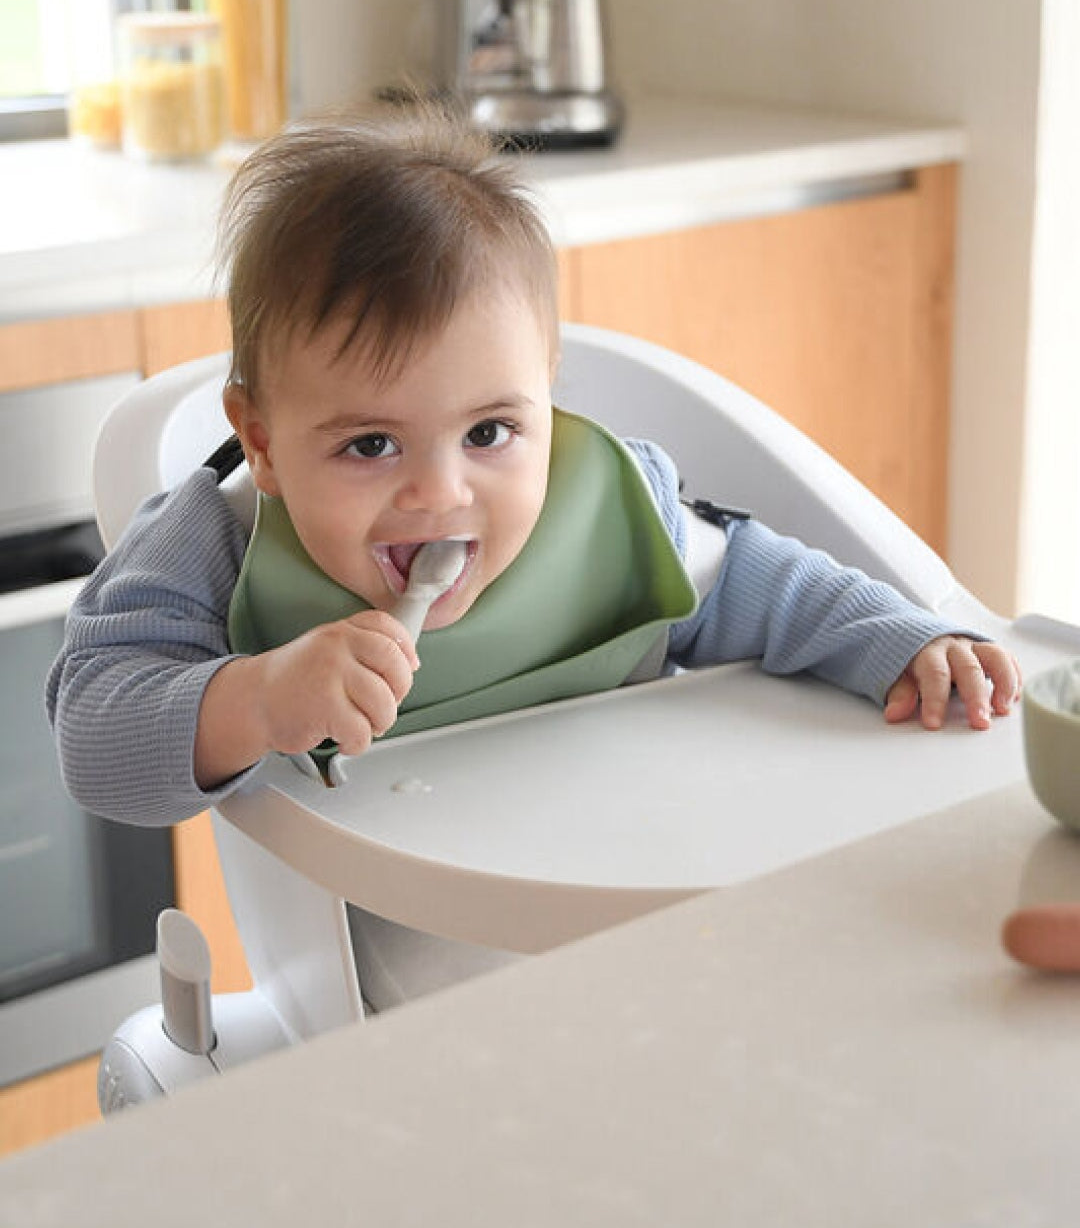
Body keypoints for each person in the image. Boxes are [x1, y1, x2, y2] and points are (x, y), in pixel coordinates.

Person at [47, 105, 1021, 1008]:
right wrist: (254, 700)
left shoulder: (604, 508)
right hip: (390, 980)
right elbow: (94, 738)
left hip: (647, 917)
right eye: (370, 445)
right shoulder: (216, 543)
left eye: (490, 432)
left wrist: (899, 640)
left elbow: (767, 587)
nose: (439, 493)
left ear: (546, 397)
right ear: (259, 439)